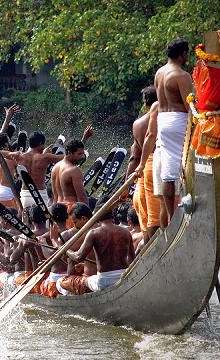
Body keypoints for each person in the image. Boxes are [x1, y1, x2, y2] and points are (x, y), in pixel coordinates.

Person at [136, 37, 193, 227]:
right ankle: (178, 214)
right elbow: (189, 106)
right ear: (183, 54)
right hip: (178, 121)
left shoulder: (159, 73)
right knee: (182, 169)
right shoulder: (182, 75)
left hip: (164, 120)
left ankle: (171, 215)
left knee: (170, 172)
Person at [7, 126, 93, 209]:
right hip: (40, 196)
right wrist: (84, 139)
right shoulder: (46, 157)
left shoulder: (19, 156)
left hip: (25, 196)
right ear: (41, 144)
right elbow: (69, 157)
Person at [66, 209, 134, 292]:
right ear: (112, 217)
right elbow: (132, 260)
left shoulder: (93, 233)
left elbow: (78, 257)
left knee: (61, 282)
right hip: (124, 276)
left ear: (96, 217)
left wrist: (65, 250)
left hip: (103, 281)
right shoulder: (126, 232)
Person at [128, 86, 162, 241]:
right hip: (158, 169)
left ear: (145, 103)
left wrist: (127, 184)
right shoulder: (165, 118)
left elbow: (134, 158)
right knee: (156, 221)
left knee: (148, 223)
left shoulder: (138, 124)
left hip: (143, 175)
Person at [51, 140, 89, 226]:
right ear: (69, 153)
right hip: (72, 213)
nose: (82, 157)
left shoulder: (55, 168)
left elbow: (54, 196)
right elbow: (82, 197)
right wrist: (88, 216)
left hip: (58, 211)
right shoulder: (74, 170)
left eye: (83, 153)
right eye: (79, 154)